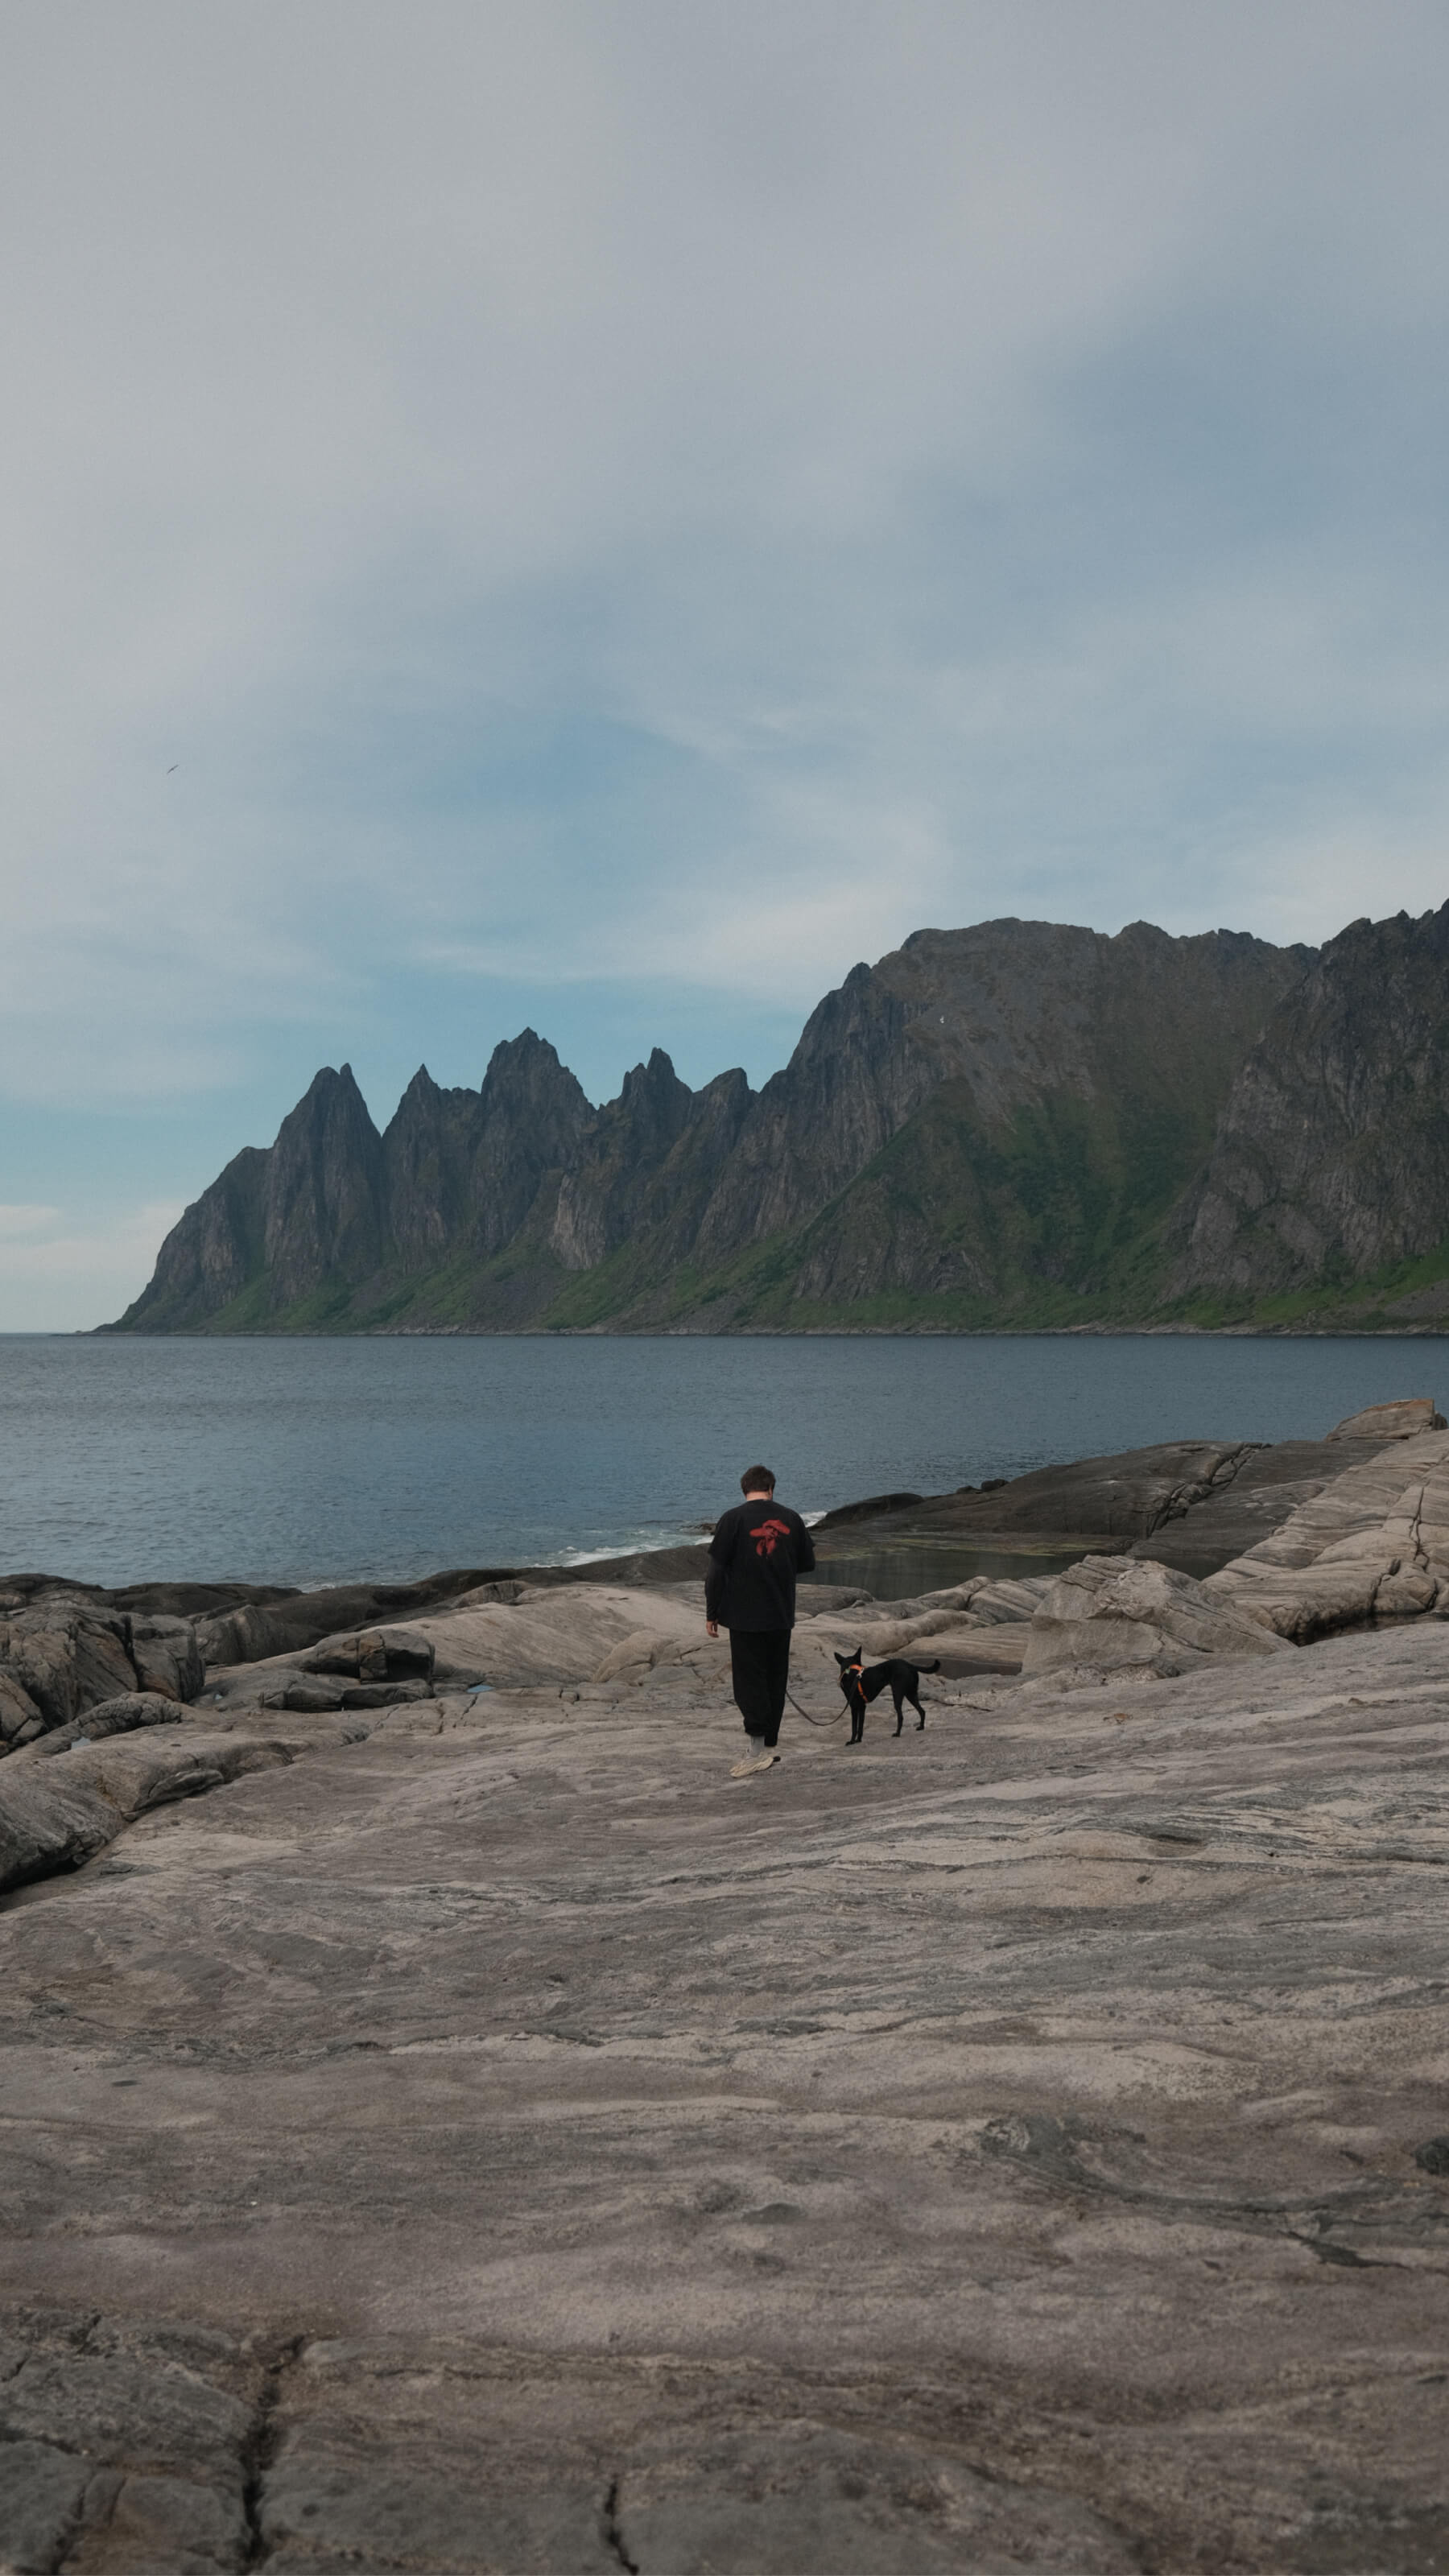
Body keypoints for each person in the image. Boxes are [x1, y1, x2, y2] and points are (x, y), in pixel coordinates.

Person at [705, 1465, 815, 1777]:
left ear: (745, 1490)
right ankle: (767, 1745)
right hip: (781, 1613)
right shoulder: (792, 1518)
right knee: (775, 1678)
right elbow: (807, 1563)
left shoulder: (732, 1519)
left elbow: (715, 1571)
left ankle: (756, 1750)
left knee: (749, 1680)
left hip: (742, 1616)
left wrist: (712, 1612)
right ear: (771, 1489)